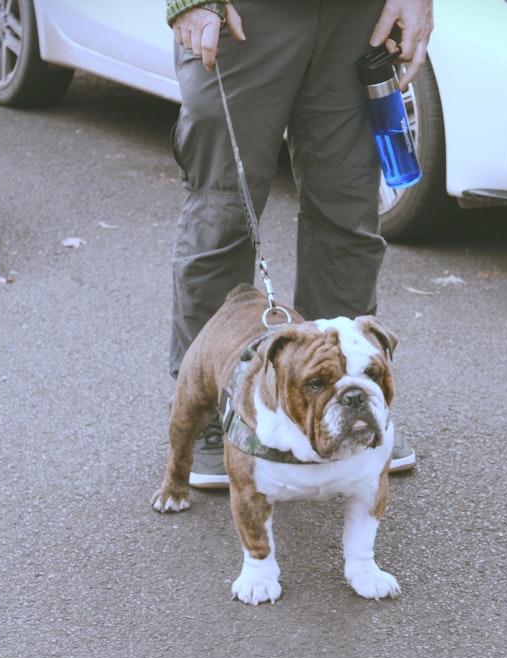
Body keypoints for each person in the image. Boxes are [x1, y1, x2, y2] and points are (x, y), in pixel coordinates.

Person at [166, 0, 433, 487]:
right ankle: (210, 417)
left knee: (347, 213)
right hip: (244, 16)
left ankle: (340, 415)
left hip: (359, 16)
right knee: (225, 211)